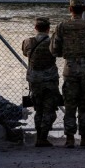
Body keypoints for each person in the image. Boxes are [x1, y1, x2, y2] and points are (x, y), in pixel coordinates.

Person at [49, 0, 85, 148]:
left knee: (70, 104)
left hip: (70, 68)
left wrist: (67, 54)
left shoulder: (61, 27)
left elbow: (54, 50)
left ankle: (70, 138)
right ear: (84, 9)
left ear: (70, 9)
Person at [22, 17, 60, 147]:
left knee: (39, 110)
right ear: (48, 29)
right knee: (49, 110)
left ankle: (39, 137)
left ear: (36, 28)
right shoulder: (52, 43)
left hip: (35, 81)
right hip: (50, 81)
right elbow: (58, 53)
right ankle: (43, 137)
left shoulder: (28, 42)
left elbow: (25, 54)